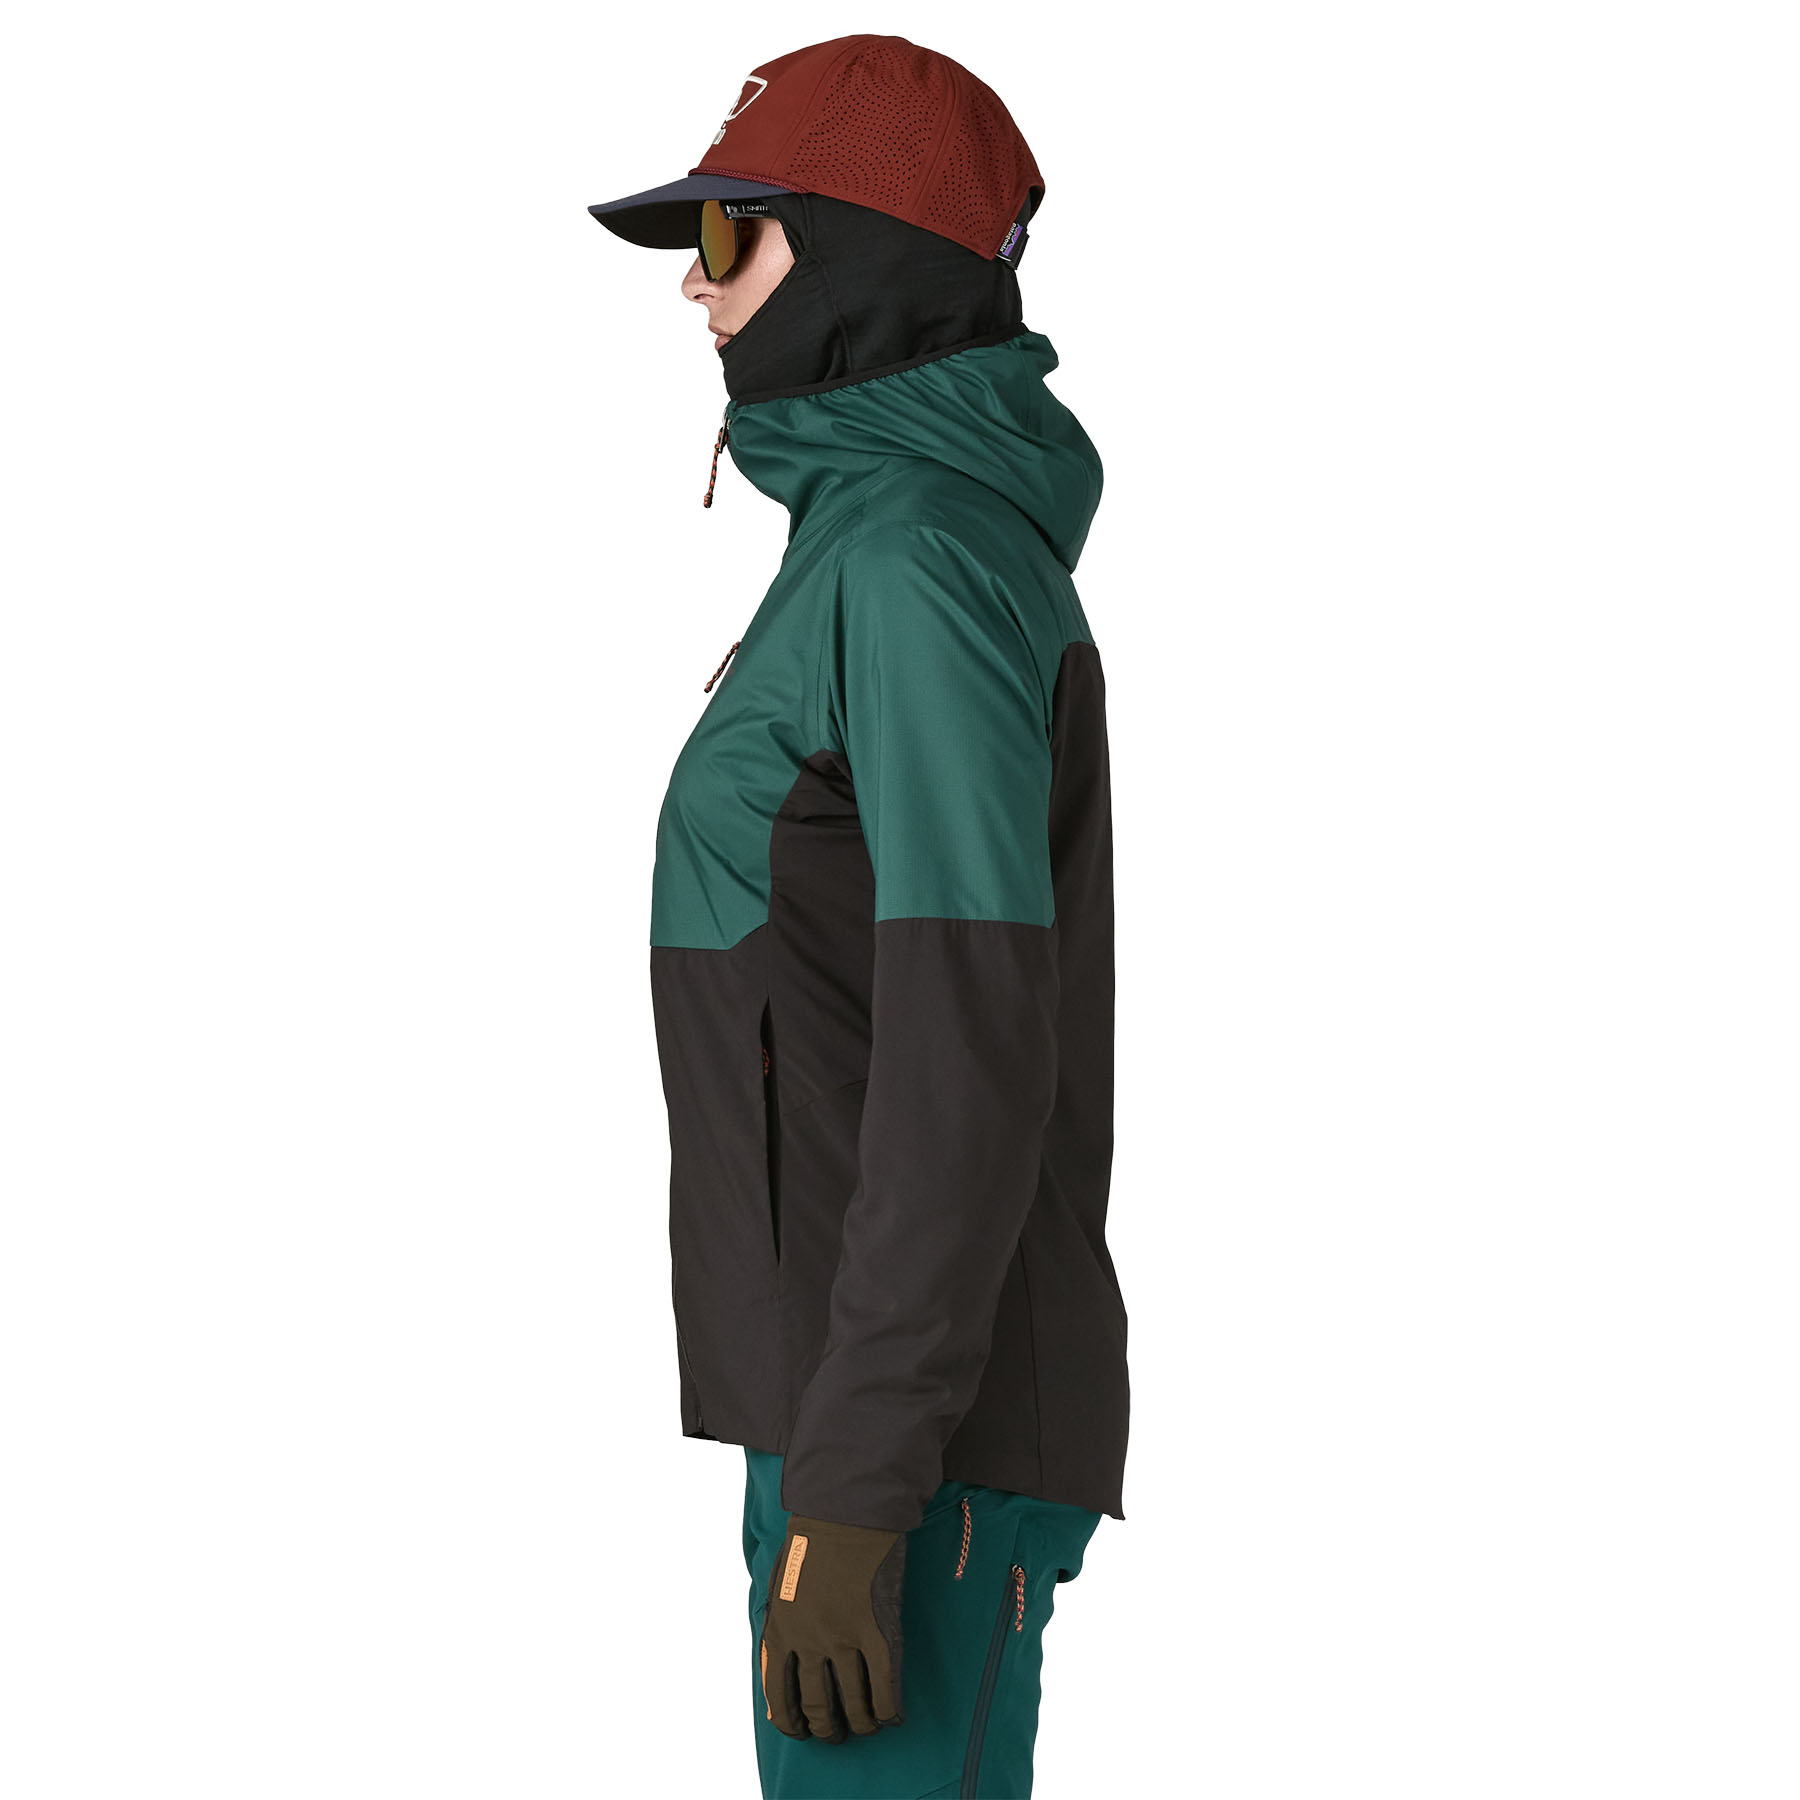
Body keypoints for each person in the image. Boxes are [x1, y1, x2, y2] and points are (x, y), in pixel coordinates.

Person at [587, 34, 1129, 1799]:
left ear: (862, 255)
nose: (692, 283)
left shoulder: (915, 564)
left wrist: (857, 1497)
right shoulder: (868, 550)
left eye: (727, 235)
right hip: (856, 1419)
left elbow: (968, 1059)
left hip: (908, 1452)